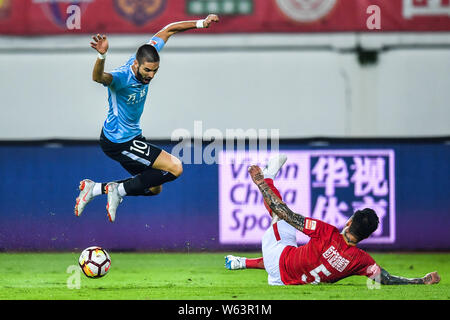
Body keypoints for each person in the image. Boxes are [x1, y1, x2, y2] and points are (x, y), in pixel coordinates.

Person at [74, 14, 220, 222]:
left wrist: (200, 23)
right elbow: (98, 78)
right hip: (119, 141)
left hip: (132, 137)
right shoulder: (121, 78)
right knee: (175, 167)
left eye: (155, 71)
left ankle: (95, 189)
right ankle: (118, 191)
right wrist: (102, 57)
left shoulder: (147, 57)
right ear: (136, 64)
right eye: (147, 70)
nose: (151, 75)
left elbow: (169, 29)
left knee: (154, 188)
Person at [225, 154, 440, 286]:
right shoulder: (361, 260)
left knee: (279, 218)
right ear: (366, 236)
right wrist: (420, 280)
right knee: (294, 251)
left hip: (278, 262)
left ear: (348, 222)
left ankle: (270, 174)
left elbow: (284, 213)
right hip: (286, 282)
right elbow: (385, 278)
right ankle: (242, 262)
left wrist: (262, 183)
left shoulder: (326, 232)